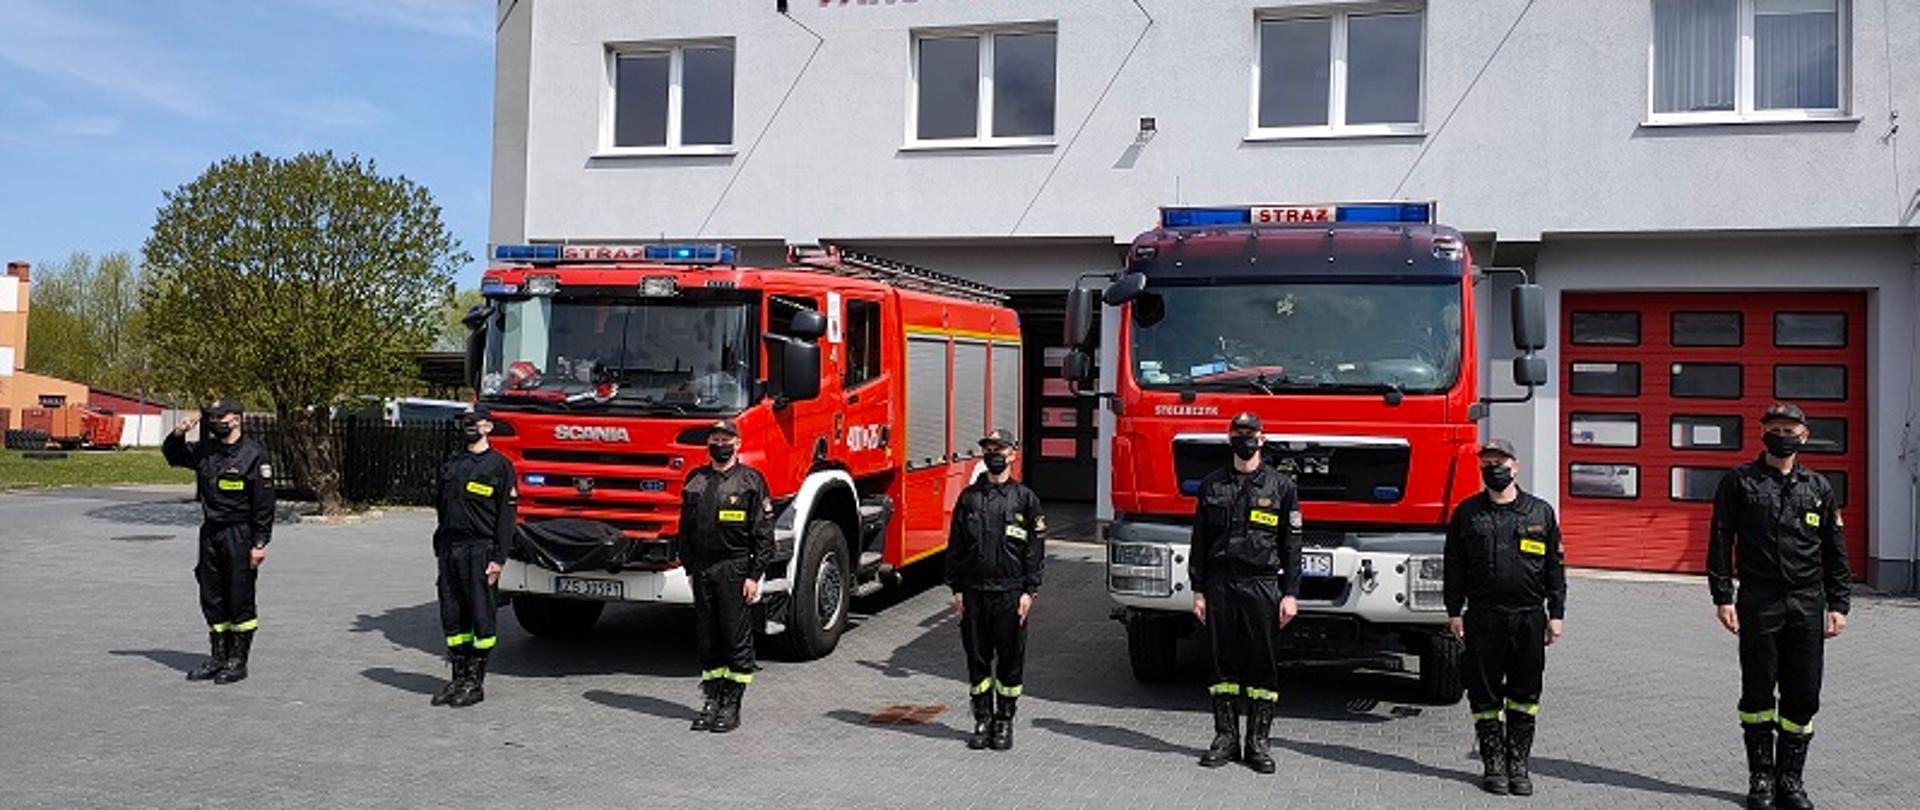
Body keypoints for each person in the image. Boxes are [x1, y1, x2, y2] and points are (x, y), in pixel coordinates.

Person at [1709, 402, 1851, 810]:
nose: (1783, 436)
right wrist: (1723, 596)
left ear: (1805, 436)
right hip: (1759, 600)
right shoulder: (1739, 483)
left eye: (1791, 430)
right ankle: (1761, 778)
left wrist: (1839, 603)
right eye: (1776, 428)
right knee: (1757, 692)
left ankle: (1791, 779)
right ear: (1763, 433)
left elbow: (1835, 550)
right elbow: (1721, 539)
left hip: (1807, 602)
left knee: (1803, 694)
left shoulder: (1818, 488)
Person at [1443, 438, 1567, 797]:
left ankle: (1518, 763)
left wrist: (1556, 614)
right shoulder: (1468, 513)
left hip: (1529, 617)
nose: (1494, 469)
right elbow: (1454, 567)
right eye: (1487, 463)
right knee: (1484, 695)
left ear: (1516, 466)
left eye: (1500, 462)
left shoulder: (1540, 513)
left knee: (1525, 694)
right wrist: (1454, 611)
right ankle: (1493, 763)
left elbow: (1555, 568)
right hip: (1483, 617)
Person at [1189, 412, 1301, 774]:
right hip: (1220, 584)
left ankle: (1258, 742)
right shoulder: (1212, 485)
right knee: (1221, 662)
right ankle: (1225, 738)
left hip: (1262, 584)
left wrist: (1291, 593)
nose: (1244, 439)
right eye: (1238, 433)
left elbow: (1291, 545)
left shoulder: (1281, 487)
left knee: (1262, 664)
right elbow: (1199, 540)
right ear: (1229, 439)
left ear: (1262, 438)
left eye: (1250, 433)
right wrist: (1198, 590)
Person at [945, 428, 1046, 751]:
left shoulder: (1025, 499)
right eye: (989, 449)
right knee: (977, 660)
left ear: (1012, 454)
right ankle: (982, 719)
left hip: (1010, 594)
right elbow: (956, 546)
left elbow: (1035, 550)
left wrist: (1030, 591)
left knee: (1009, 661)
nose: (993, 454)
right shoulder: (969, 498)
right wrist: (956, 589)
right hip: (974, 593)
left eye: (999, 449)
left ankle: (1004, 721)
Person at [162, 399, 275, 685]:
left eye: (219, 417)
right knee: (211, 594)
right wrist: (179, 433)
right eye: (211, 417)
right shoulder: (207, 451)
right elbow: (173, 455)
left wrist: (260, 543)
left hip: (240, 533)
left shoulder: (254, 455)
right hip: (211, 532)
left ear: (236, 419)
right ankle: (218, 656)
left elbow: (264, 504)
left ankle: (238, 660)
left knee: (239, 595)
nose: (214, 422)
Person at [679, 418, 773, 733]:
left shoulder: (750, 481)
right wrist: (689, 569)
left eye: (725, 440)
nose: (720, 445)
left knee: (735, 637)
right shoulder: (695, 480)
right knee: (708, 638)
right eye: (715, 440)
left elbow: (764, 534)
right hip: (703, 569)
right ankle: (712, 699)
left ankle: (732, 704)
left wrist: (754, 576)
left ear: (737, 444)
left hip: (735, 569)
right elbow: (685, 530)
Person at [430, 407, 517, 707]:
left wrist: (499, 558)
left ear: (487, 427)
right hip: (450, 550)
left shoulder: (500, 467)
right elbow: (441, 506)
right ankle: (458, 677)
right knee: (452, 615)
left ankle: (475, 682)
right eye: (464, 422)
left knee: (481, 616)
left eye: (472, 422)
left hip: (481, 551)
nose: (467, 426)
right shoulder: (452, 463)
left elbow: (506, 518)